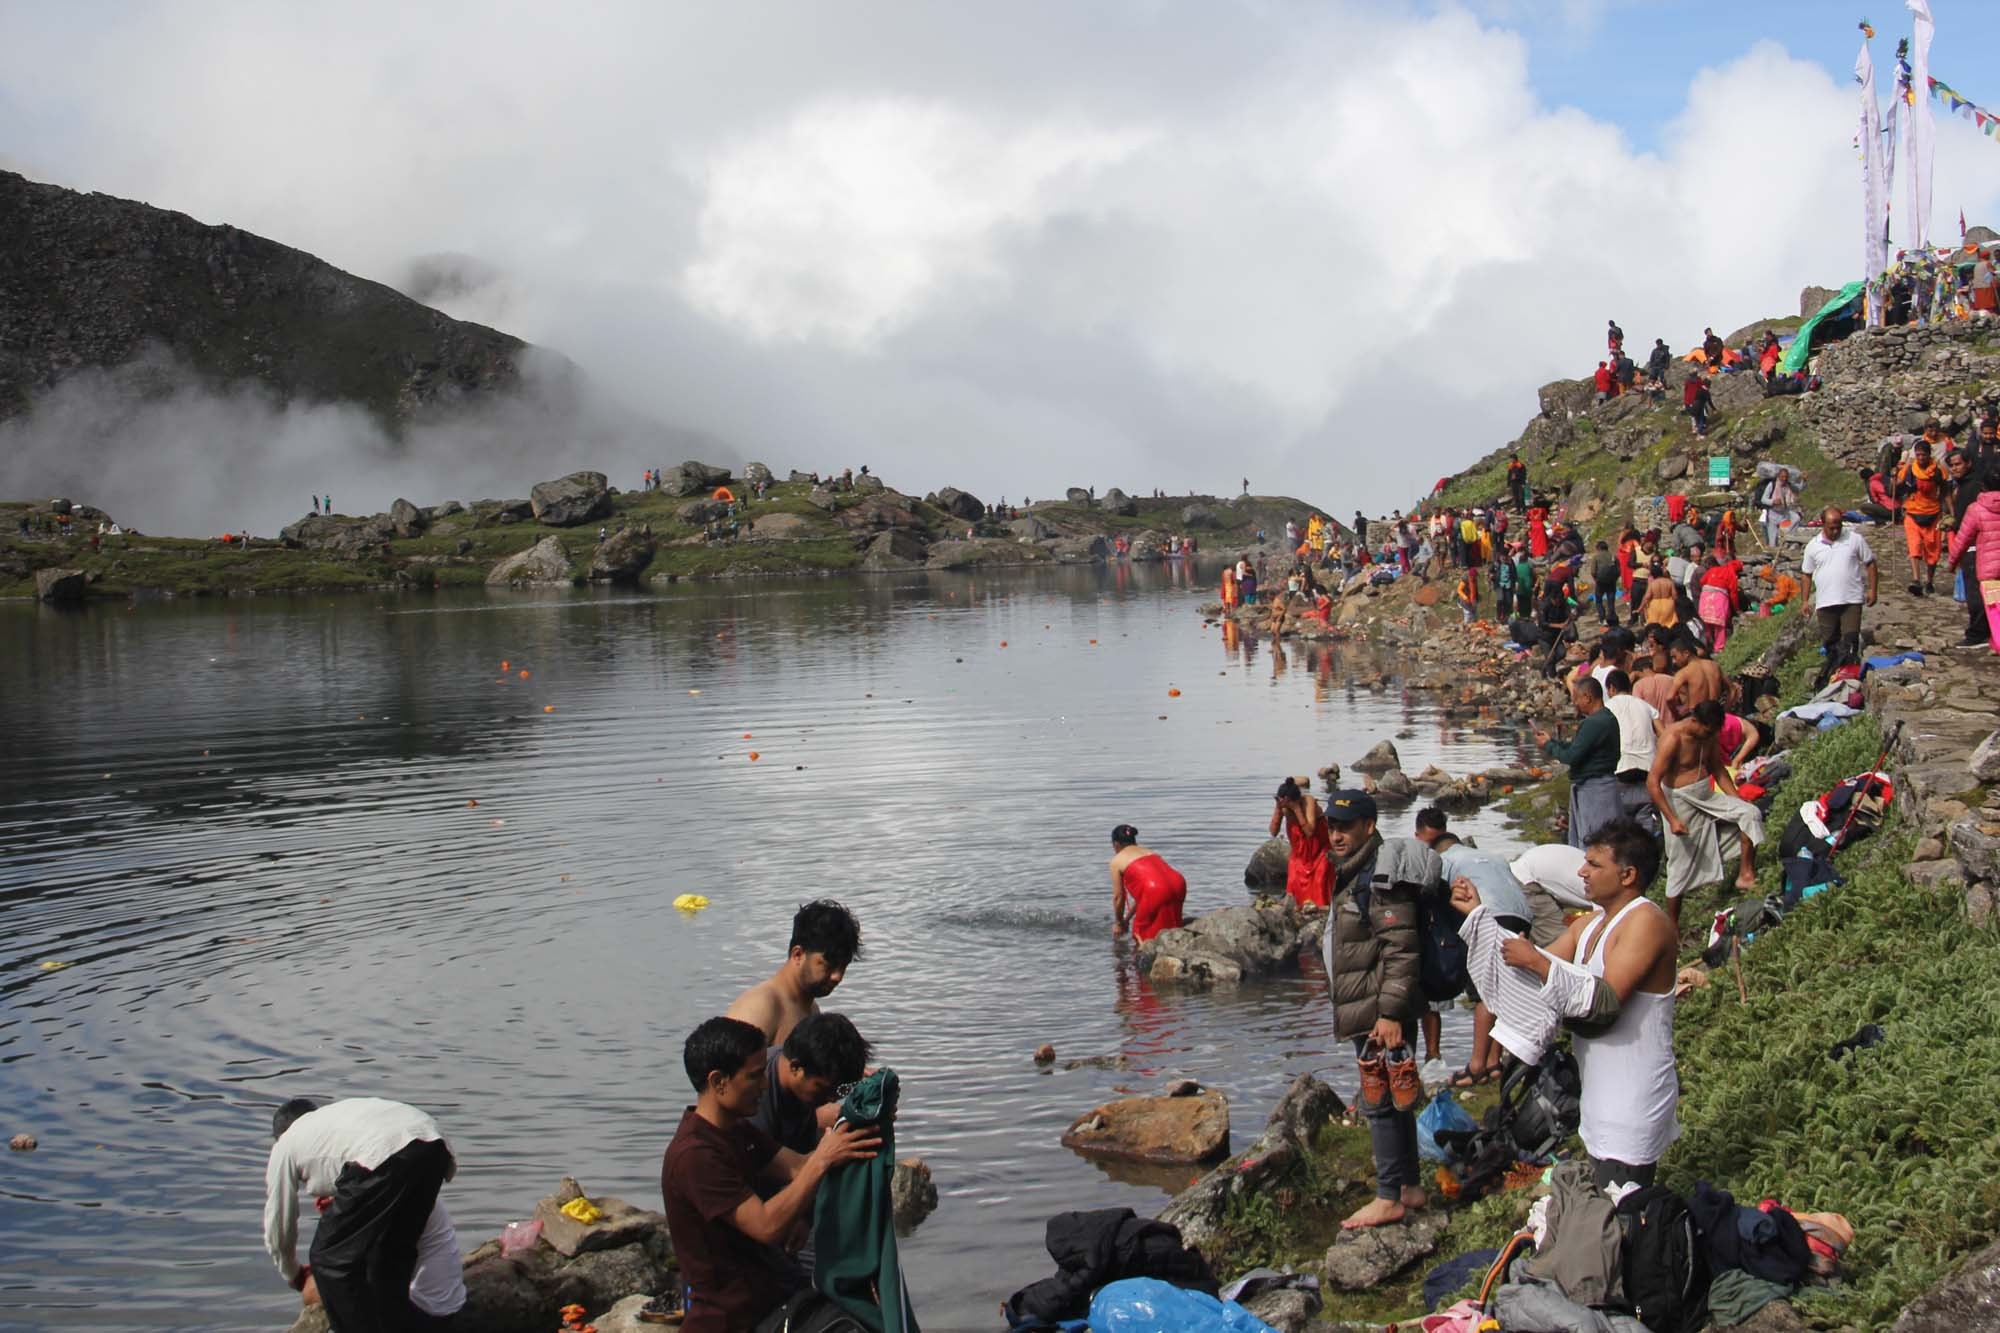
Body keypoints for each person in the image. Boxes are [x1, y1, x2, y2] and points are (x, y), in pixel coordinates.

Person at [1493, 819, 1679, 1189]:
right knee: (1606, 1214)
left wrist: (1536, 960)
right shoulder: (1588, 926)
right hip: (1597, 1098)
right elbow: (1529, 978)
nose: (1581, 871)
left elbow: (1604, 1005)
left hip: (1633, 1098)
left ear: (1627, 875)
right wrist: (1476, 919)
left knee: (1626, 1213)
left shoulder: (1646, 921)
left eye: (1594, 864)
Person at [662, 1017, 880, 1333]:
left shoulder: (736, 1129)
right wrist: (822, 1160)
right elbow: (767, 1226)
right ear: (718, 1081)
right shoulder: (696, 1155)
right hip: (732, 1316)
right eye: (753, 1077)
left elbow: (797, 1166)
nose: (764, 1085)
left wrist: (858, 1130)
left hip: (771, 1293)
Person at [262, 1096, 464, 1330]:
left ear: (280, 1135)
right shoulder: (335, 1122)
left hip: (387, 1153)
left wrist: (293, 1274)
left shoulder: (286, 1144)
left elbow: (279, 1225)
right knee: (390, 1254)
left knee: (328, 1259)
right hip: (433, 1144)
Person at [1319, 790, 1425, 1229]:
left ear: (1369, 826)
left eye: (1346, 826)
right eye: (1332, 826)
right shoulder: (1355, 871)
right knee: (1396, 1099)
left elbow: (1401, 949)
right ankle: (1410, 1188)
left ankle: (1388, 1197)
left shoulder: (1379, 877)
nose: (1337, 834)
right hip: (1371, 1001)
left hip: (1378, 1006)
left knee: (1378, 1099)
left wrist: (1390, 1014)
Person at [1648, 701, 1764, 926]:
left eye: (1712, 732)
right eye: (1706, 730)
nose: (1708, 735)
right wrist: (1672, 819)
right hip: (1678, 799)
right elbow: (1652, 783)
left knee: (1749, 813)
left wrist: (1735, 798)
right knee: (1679, 863)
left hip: (1705, 793)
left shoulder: (1709, 736)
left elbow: (1718, 769)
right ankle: (1673, 926)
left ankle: (1745, 874)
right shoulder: (1673, 739)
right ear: (1695, 721)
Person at [726, 901, 863, 1045]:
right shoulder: (761, 1006)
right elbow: (724, 1066)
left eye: (843, 967)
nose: (837, 977)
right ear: (798, 955)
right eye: (829, 965)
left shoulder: (812, 1008)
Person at [1538, 677, 1622, 849]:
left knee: (1595, 841)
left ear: (1588, 697)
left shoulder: (1595, 722)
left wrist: (1548, 746)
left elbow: (1572, 757)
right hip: (1598, 786)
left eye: (1576, 698)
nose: (1575, 702)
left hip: (1596, 790)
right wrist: (1553, 742)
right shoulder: (1606, 718)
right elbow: (1578, 748)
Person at [1800, 507, 1879, 687]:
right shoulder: (1813, 546)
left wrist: (1873, 590)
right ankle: (1834, 680)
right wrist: (1804, 601)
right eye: (1831, 528)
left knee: (1850, 641)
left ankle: (1850, 681)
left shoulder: (1854, 539)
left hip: (1851, 600)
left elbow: (1870, 564)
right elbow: (1806, 574)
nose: (1836, 531)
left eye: (1838, 527)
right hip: (1826, 602)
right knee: (1831, 644)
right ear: (1823, 525)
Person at [1947, 462, 2000, 653]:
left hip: (1988, 568)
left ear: (1983, 486)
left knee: (1987, 604)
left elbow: (1962, 539)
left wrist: (1952, 561)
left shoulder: (1976, 509)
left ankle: (1980, 635)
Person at [1108, 824, 1188, 941]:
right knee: (1171, 924)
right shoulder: (1149, 851)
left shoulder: (1117, 860)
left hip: (1155, 890)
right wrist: (1126, 920)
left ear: (1116, 844)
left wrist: (1119, 923)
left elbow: (1118, 897)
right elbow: (1144, 897)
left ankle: (1136, 958)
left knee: (1140, 932)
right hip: (1178, 883)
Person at [1895, 435, 1948, 595]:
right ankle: (1916, 579)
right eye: (1918, 454)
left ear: (1929, 455)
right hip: (1912, 512)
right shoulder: (1910, 469)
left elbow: (1945, 490)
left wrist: (1948, 511)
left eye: (1923, 455)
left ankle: (1929, 580)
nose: (1921, 458)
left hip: (1932, 513)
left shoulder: (1938, 471)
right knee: (1914, 546)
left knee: (1933, 550)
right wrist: (1894, 478)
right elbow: (1897, 485)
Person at [1270, 778, 1331, 908]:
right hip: (1299, 854)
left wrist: (1297, 809)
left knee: (1320, 881)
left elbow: (1309, 832)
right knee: (1293, 883)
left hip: (1320, 851)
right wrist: (1278, 809)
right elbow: (1273, 832)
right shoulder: (1284, 808)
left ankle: (1322, 910)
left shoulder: (1308, 802)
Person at [1758, 467, 1800, 547]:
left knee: (1796, 518)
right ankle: (1773, 555)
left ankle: (1788, 536)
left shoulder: (1788, 486)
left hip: (1784, 513)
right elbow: (1763, 499)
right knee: (1772, 542)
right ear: (1779, 476)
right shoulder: (1772, 485)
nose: (1784, 479)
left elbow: (1798, 489)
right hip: (1773, 515)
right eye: (1782, 477)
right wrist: (1773, 501)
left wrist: (1803, 481)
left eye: (1786, 477)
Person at [1589, 541, 1620, 628]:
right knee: (1611, 600)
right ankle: (1612, 617)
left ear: (1598, 548)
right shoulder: (1613, 556)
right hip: (1612, 581)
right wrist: (1615, 578)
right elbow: (1618, 570)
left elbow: (1593, 571)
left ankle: (1602, 618)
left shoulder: (1596, 557)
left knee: (1598, 600)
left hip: (1600, 581)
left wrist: (1596, 579)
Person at [1684, 374, 1712, 438]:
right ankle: (1700, 433)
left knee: (1695, 419)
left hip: (1692, 405)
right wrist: (1714, 409)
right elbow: (1709, 401)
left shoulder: (1697, 389)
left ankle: (1695, 429)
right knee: (1701, 420)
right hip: (1700, 406)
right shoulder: (1706, 392)